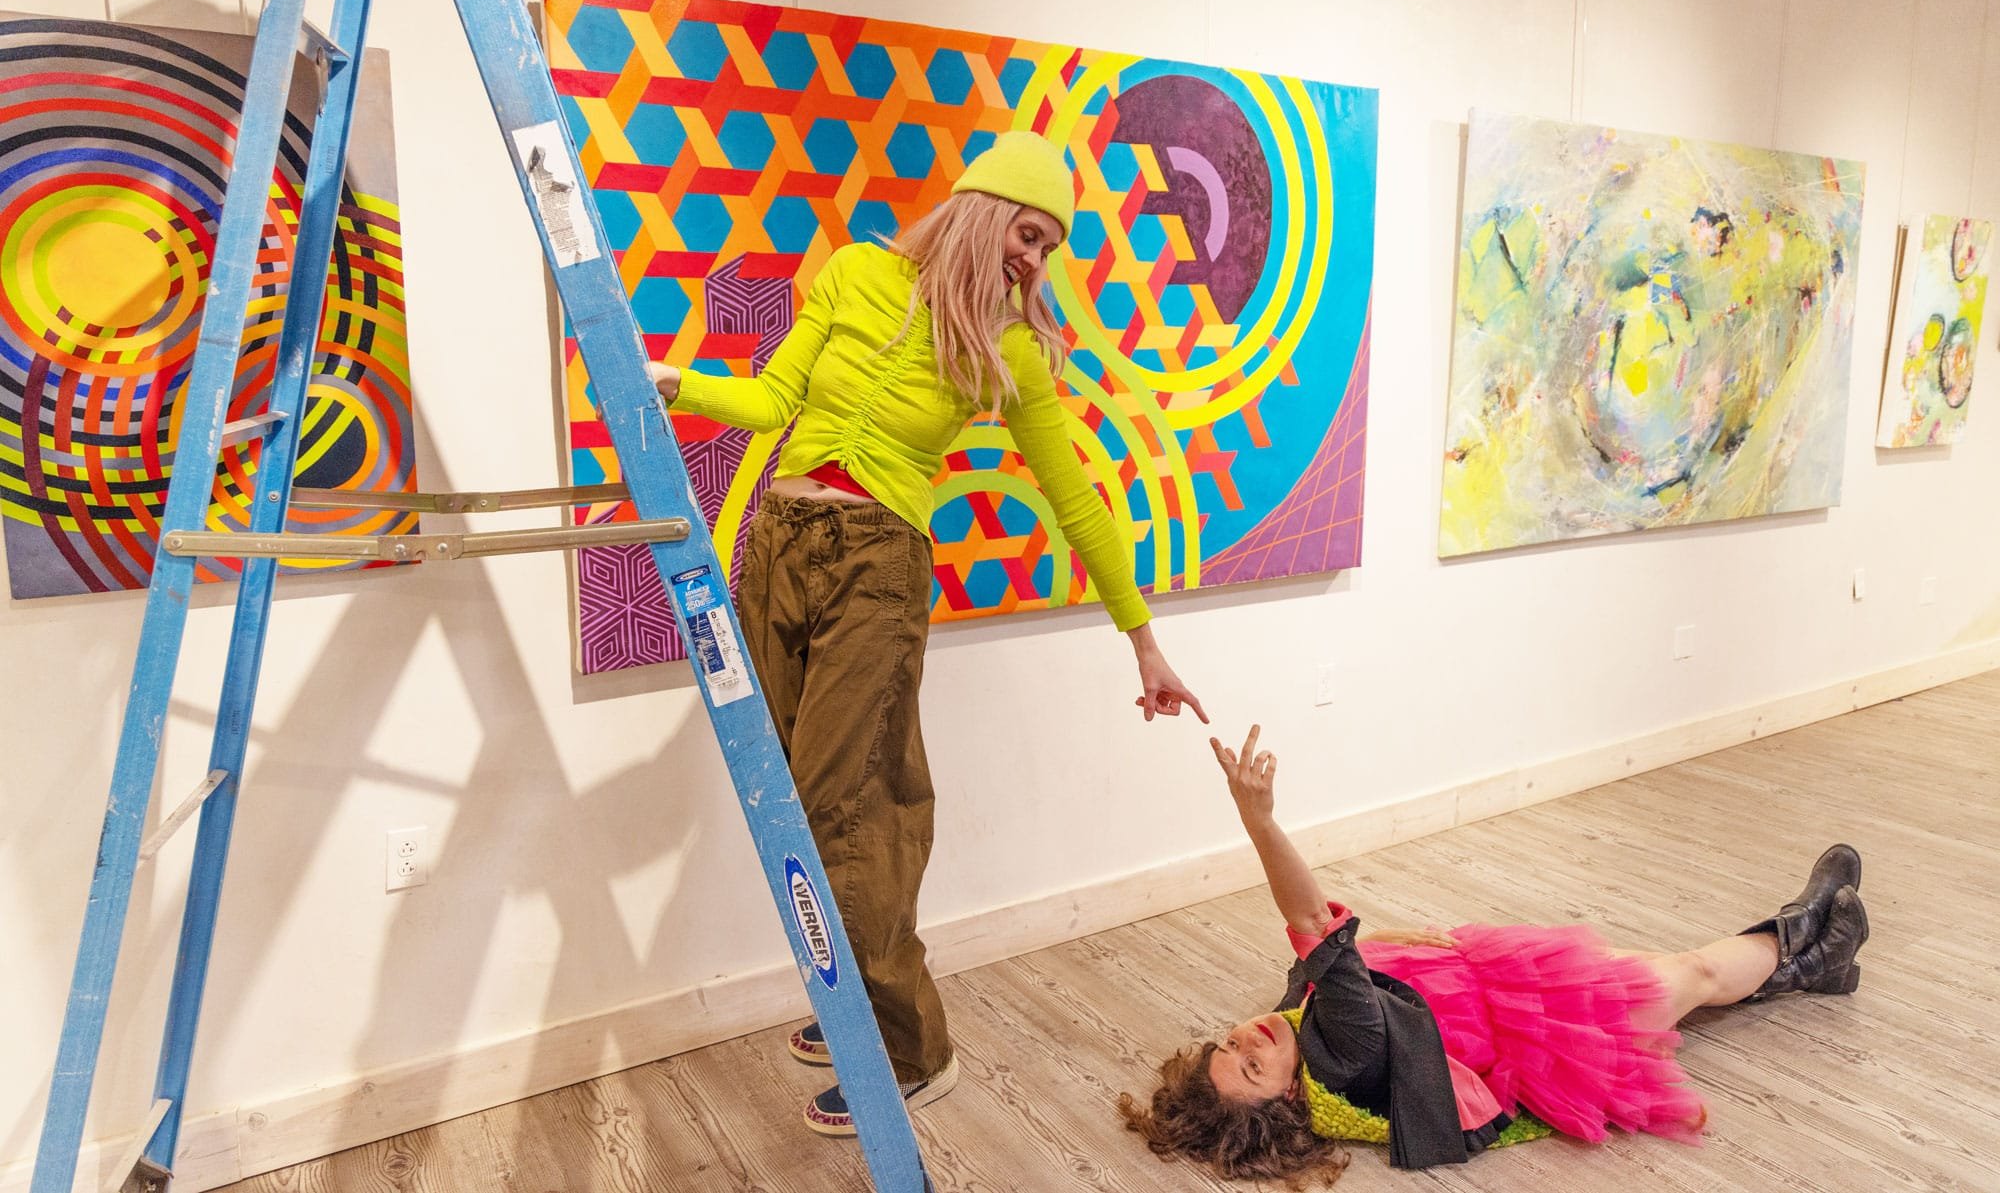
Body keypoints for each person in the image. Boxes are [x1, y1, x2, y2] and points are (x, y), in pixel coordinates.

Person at [648, 131, 1207, 1134]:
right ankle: (865, 1002)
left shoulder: (1010, 347)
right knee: (796, 791)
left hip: (877, 564)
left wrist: (1143, 640)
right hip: (778, 545)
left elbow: (1076, 502)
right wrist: (675, 383)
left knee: (848, 806)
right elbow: (772, 402)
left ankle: (912, 1048)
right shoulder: (854, 273)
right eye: (1028, 234)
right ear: (981, 209)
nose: (1035, 259)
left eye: (1049, 247)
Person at [1118, 726, 1869, 1184]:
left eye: (1229, 1046)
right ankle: (1801, 927)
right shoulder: (1337, 1056)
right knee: (1695, 974)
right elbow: (1314, 922)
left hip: (1510, 982)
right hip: (1548, 1029)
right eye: (1253, 1067)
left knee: (1684, 974)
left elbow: (1339, 963)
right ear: (1290, 1096)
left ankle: (1816, 964)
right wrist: (1259, 821)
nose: (1247, 1040)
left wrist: (1388, 946)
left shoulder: (1298, 1028)